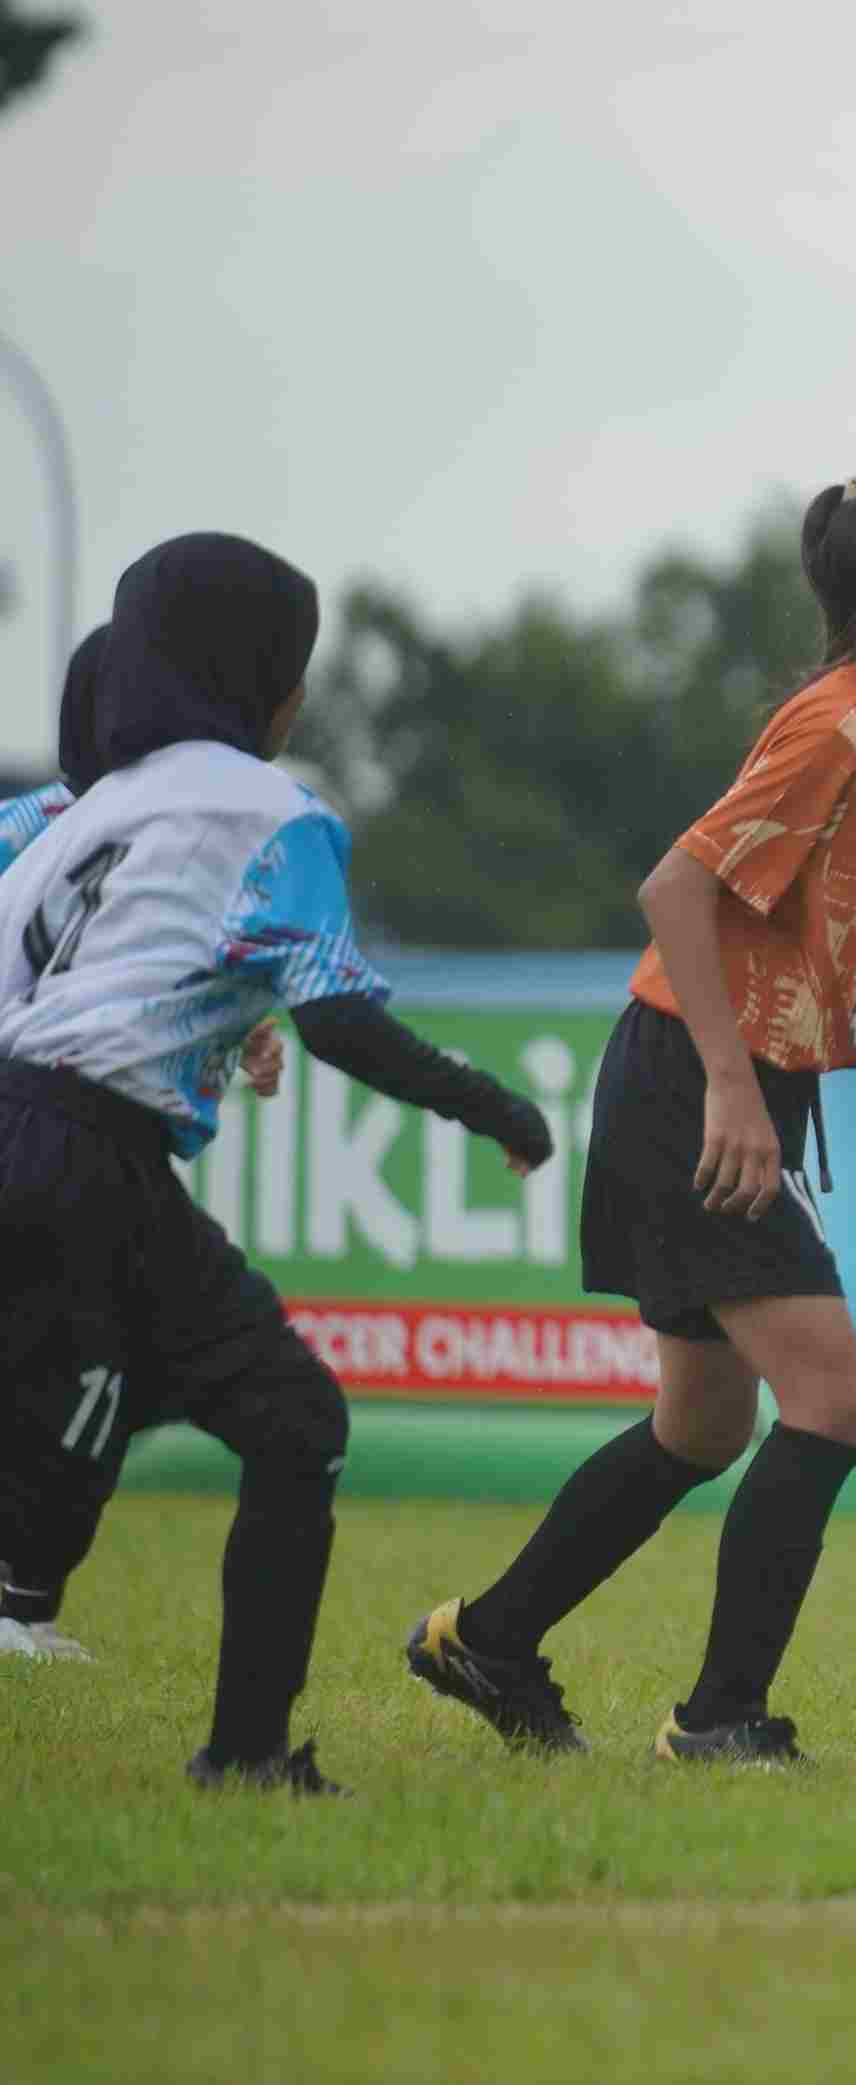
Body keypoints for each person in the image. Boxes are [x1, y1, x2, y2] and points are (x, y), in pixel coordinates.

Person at [403, 473, 856, 1767]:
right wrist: (736, 1092)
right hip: (698, 1088)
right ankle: (719, 1716)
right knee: (835, 1402)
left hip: (702, 1079)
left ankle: (489, 1638)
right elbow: (675, 888)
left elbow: (763, 933)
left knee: (702, 1427)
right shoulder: (839, 729)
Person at [0, 533, 552, 1790]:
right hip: (89, 1150)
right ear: (266, 684)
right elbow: (340, 1020)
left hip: (26, 1121)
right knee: (291, 1419)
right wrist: (494, 1112)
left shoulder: (74, 814)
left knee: (110, 1391)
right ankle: (245, 1758)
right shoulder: (278, 812)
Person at [0, 629, 284, 1667]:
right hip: (39, 1130)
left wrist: (234, 1026)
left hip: (52, 1134)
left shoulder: (128, 823)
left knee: (112, 1367)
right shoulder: (72, 823)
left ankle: (21, 1604)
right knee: (97, 1360)